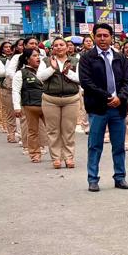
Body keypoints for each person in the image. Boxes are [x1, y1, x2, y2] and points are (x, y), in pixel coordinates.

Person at [79, 23, 128, 193]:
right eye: (99, 35)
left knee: (119, 146)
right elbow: (86, 82)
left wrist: (120, 98)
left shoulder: (120, 58)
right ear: (94, 37)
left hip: (118, 108)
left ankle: (120, 177)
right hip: (97, 108)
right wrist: (107, 96)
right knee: (95, 145)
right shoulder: (87, 58)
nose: (102, 39)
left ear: (111, 37)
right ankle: (93, 179)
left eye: (106, 35)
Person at [39, 38, 81, 168]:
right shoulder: (46, 61)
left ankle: (69, 157)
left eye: (62, 45)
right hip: (50, 99)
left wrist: (68, 73)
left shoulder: (75, 61)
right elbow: (40, 77)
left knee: (69, 130)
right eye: (56, 45)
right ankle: (56, 158)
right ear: (52, 48)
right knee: (53, 130)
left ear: (67, 47)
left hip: (71, 99)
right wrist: (52, 68)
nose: (59, 47)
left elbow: (81, 79)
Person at [11, 49, 45, 162]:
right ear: (27, 59)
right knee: (32, 131)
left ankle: (57, 154)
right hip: (30, 105)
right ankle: (35, 154)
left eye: (38, 55)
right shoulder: (21, 73)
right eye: (34, 56)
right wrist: (17, 107)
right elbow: (16, 91)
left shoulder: (44, 70)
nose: (38, 58)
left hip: (48, 104)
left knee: (53, 130)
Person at [0, 41, 18, 142]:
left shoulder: (20, 59)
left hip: (19, 88)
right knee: (9, 112)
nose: (8, 49)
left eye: (10, 47)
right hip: (6, 87)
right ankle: (11, 133)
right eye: (6, 47)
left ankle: (20, 134)